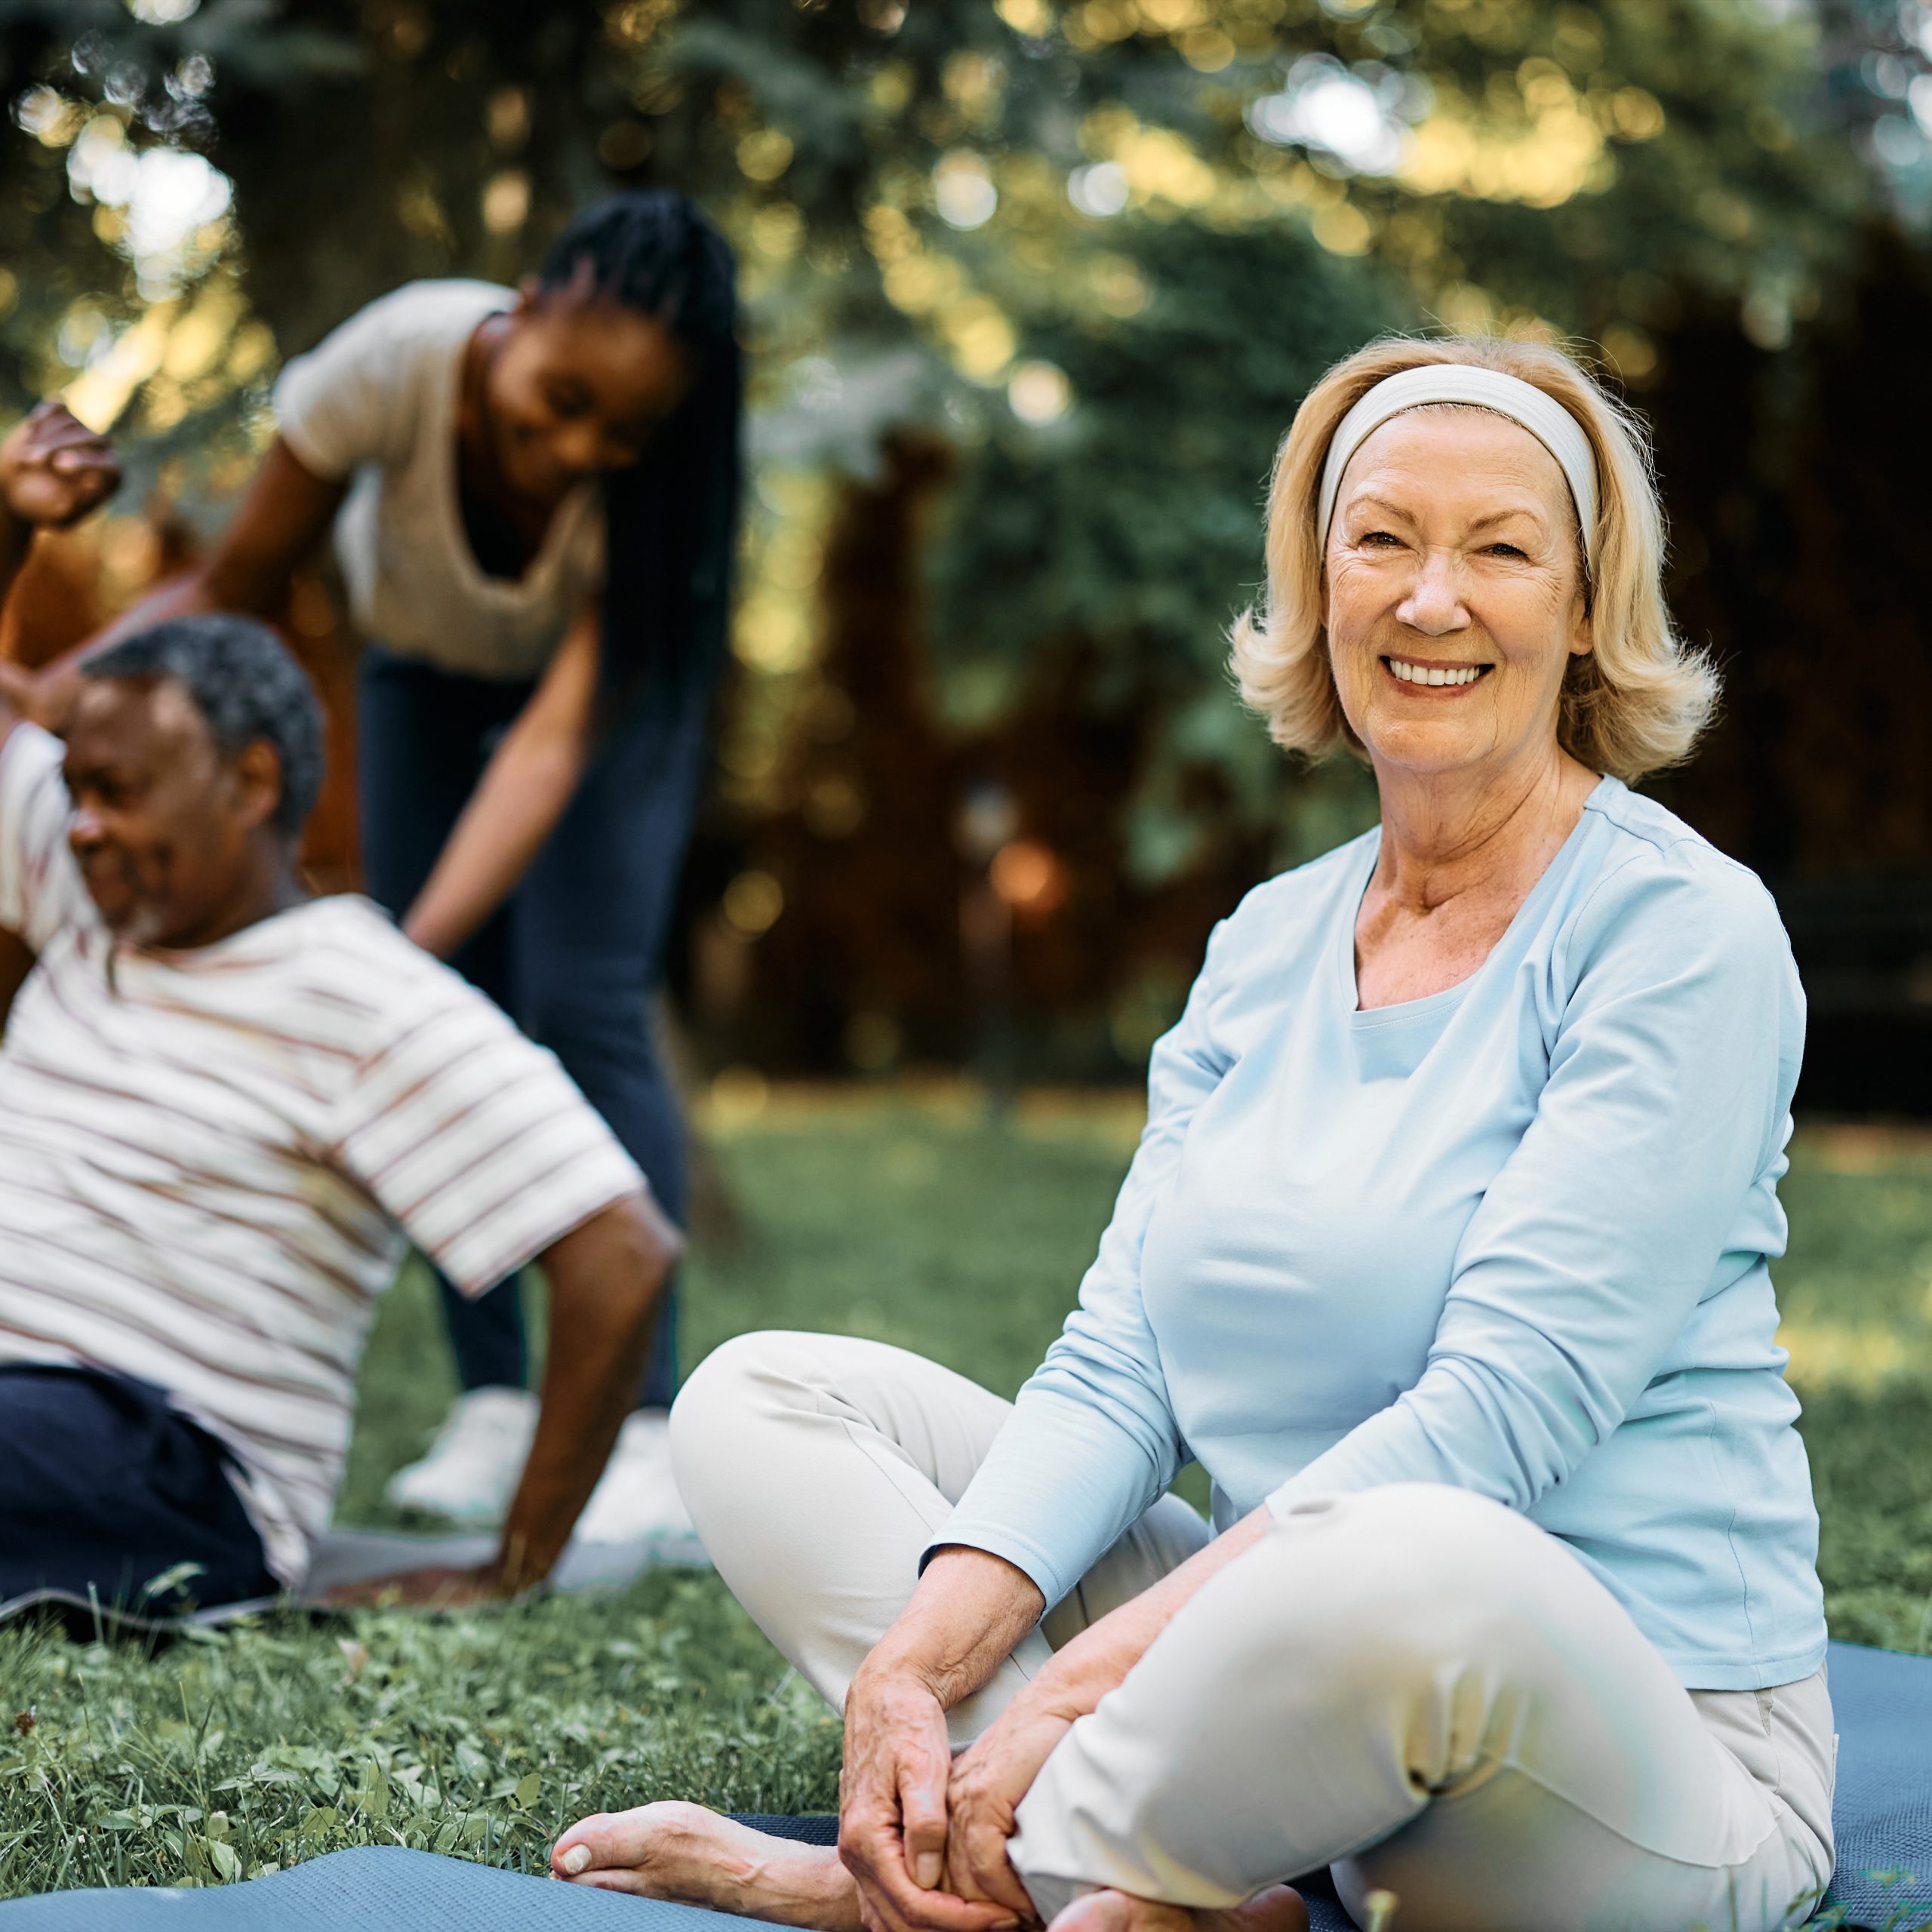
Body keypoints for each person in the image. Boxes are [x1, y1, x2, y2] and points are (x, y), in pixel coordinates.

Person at [546, 337, 1835, 1932]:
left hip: (1614, 1741)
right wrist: (913, 1666)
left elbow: (1497, 1423)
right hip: (1269, 1677)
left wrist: (1062, 1698)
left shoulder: (1679, 929)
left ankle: (916, 1872)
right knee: (758, 1401)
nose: (1430, 598)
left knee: (1411, 1549)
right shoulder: (1265, 940)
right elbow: (1120, 1365)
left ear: (1580, 612)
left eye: (1500, 549)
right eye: (1380, 538)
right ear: (1317, 580)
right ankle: (1164, 1872)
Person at [4, 191, 741, 1543]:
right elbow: (233, 583)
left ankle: (647, 1424)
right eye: (560, 400)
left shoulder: (660, 509)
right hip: (426, 667)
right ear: (522, 307)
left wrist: (403, 963)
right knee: (430, 972)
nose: (577, 451)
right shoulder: (391, 361)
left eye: (621, 435)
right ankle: (492, 1402)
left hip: (601, 707)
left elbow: (544, 753)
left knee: (576, 996)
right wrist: (64, 694)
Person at [0, 609, 682, 1611]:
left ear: (251, 785)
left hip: (169, 1463)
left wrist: (511, 1567)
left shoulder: (366, 998)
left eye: (120, 792)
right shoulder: (86, 894)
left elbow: (624, 1255)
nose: (85, 824)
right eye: (74, 793)